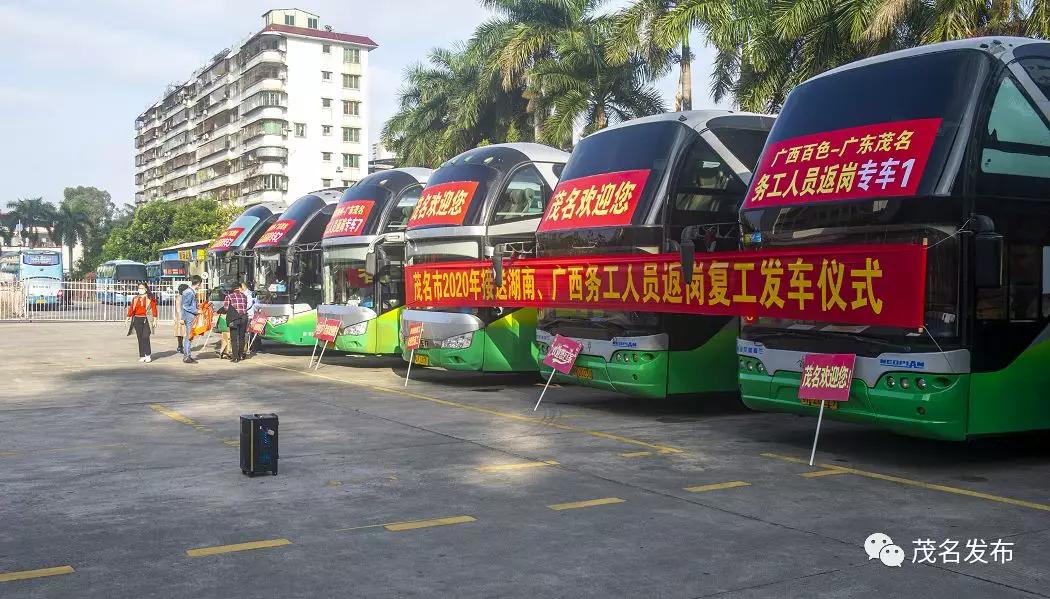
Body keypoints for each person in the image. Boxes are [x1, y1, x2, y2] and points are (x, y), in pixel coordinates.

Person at [126, 282, 158, 363]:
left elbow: (154, 309)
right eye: (139, 288)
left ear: (146, 289)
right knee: (140, 338)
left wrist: (155, 320)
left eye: (142, 288)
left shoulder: (150, 298)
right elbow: (131, 309)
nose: (140, 290)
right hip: (137, 319)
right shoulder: (135, 298)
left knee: (145, 337)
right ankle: (142, 355)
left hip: (147, 319)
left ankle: (148, 355)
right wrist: (127, 318)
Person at [220, 283, 249, 363]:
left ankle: (235, 357)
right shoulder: (244, 296)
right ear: (239, 288)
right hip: (244, 317)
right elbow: (245, 306)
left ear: (232, 289)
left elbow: (226, 308)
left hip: (234, 319)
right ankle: (241, 355)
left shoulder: (229, 296)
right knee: (242, 337)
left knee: (234, 338)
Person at [181, 275, 202, 363]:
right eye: (200, 284)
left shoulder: (190, 291)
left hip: (190, 316)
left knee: (190, 336)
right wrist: (197, 311)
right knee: (189, 337)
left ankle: (188, 355)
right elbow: (186, 306)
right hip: (189, 317)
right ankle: (187, 356)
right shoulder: (189, 292)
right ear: (197, 284)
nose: (200, 286)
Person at [240, 280, 258, 357]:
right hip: (246, 314)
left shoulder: (248, 294)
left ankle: (250, 347)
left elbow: (249, 305)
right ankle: (251, 346)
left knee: (248, 331)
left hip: (249, 315)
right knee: (249, 331)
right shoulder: (245, 293)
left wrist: (240, 308)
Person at [174, 283, 189, 353]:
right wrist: (181, 319)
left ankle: (185, 346)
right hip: (180, 317)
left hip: (186, 316)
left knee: (186, 332)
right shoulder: (179, 298)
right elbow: (178, 309)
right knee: (180, 332)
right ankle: (180, 346)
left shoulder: (186, 297)